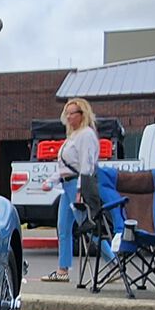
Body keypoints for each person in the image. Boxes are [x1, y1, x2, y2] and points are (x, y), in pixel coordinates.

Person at [44, 98, 103, 282]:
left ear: (82, 114)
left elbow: (86, 165)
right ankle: (63, 269)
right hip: (66, 185)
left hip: (77, 185)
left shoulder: (86, 135)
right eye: (67, 113)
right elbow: (65, 166)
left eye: (72, 113)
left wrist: (79, 190)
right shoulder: (73, 135)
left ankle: (113, 262)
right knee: (63, 228)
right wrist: (52, 181)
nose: (69, 117)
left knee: (88, 227)